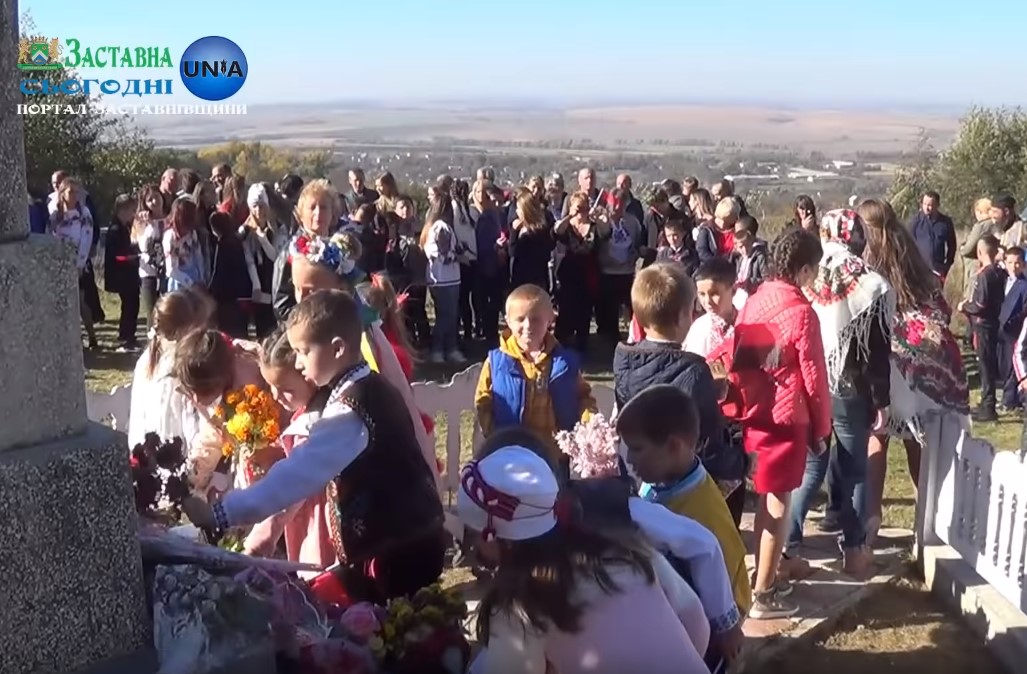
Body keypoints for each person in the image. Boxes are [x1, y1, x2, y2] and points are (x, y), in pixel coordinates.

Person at [184, 290, 446, 604]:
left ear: (337, 349)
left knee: (394, 637)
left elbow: (295, 476)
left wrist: (221, 513)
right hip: (405, 540)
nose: (297, 362)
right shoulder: (369, 385)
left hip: (397, 552)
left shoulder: (350, 412)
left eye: (303, 351)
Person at [469, 426, 745, 668]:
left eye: (473, 535)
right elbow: (694, 620)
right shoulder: (624, 547)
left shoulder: (520, 607)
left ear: (493, 535)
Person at [732, 227, 830, 619]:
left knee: (763, 503)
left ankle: (763, 575)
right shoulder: (803, 313)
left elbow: (743, 355)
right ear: (804, 269)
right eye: (814, 270)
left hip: (756, 414)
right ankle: (765, 593)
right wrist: (821, 430)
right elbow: (814, 376)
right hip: (788, 419)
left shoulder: (756, 299)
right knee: (777, 505)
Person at [795, 209, 894, 577]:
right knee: (853, 471)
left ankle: (787, 547)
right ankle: (855, 552)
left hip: (814, 382)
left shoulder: (809, 275)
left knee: (809, 468)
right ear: (857, 237)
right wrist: (882, 400)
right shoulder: (871, 284)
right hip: (851, 385)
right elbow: (878, 349)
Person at [613, 263, 747, 525]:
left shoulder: (623, 358)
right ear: (685, 314)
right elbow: (708, 446)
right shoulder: (694, 371)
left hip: (640, 474)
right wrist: (742, 461)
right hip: (681, 487)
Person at [616, 386, 750, 623]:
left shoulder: (704, 513)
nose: (629, 459)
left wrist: (725, 628)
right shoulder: (659, 481)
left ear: (673, 446)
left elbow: (728, 588)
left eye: (637, 449)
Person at [475, 284, 596, 464]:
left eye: (536, 319)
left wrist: (590, 424)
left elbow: (583, 396)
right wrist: (494, 434)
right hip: (511, 455)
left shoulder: (563, 363)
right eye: (520, 319)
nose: (528, 325)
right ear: (508, 320)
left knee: (556, 492)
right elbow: (483, 401)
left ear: (550, 319)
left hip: (554, 455)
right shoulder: (497, 363)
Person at [249, 326, 332, 575]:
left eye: (286, 389)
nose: (276, 396)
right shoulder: (308, 412)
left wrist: (263, 536)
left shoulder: (315, 422)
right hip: (310, 517)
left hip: (324, 523)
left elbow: (295, 485)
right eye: (270, 386)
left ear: (308, 375)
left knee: (321, 578)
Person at [127, 288, 216, 453]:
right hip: (176, 459)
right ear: (191, 327)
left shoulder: (147, 358)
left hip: (145, 457)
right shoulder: (184, 366)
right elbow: (193, 430)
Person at [959, 234, 1006, 422]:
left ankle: (988, 407)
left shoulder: (985, 275)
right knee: (987, 364)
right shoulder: (999, 272)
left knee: (985, 365)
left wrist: (965, 306)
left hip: (983, 324)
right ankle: (988, 402)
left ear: (980, 252)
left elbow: (980, 304)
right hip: (993, 322)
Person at [48, 176, 97, 348]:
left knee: (81, 301)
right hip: (60, 263)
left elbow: (87, 237)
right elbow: (50, 236)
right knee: (64, 302)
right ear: (62, 193)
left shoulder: (84, 213)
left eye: (77, 192)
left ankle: (91, 335)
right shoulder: (56, 214)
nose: (75, 195)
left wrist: (80, 263)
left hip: (78, 263)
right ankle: (71, 337)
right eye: (71, 192)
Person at [421, 192, 464, 363]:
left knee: (444, 315)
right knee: (448, 315)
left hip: (440, 278)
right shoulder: (441, 227)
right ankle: (443, 349)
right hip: (446, 278)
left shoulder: (432, 226)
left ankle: (444, 349)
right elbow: (443, 255)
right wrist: (460, 257)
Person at [104, 193, 141, 351]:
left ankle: (129, 335)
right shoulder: (115, 229)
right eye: (131, 209)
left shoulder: (125, 227)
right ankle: (126, 336)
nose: (133, 213)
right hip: (122, 274)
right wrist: (132, 257)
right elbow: (116, 256)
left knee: (133, 304)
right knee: (129, 305)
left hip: (128, 273)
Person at [998, 247, 1027, 410]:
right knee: (1002, 363)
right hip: (999, 329)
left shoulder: (1024, 285)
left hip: (1014, 330)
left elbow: (1024, 309)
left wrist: (1013, 322)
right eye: (1010, 263)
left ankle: (1009, 400)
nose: (1014, 266)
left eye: (1017, 263)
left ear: (1023, 264)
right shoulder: (1001, 280)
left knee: (1011, 365)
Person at [909, 191, 957, 284]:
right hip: (919, 271)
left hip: (938, 271)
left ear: (937, 205)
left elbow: (952, 246)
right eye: (925, 204)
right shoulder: (915, 222)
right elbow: (908, 245)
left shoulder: (946, 223)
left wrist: (946, 266)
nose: (927, 208)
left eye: (930, 205)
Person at [733, 214, 769, 308]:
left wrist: (748, 282)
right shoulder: (738, 257)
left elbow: (767, 278)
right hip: (740, 294)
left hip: (754, 295)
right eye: (740, 247)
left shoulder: (760, 255)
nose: (744, 250)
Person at [696, 198, 738, 264]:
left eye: (727, 221)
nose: (723, 224)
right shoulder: (706, 230)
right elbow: (702, 253)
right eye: (720, 219)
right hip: (711, 269)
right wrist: (719, 263)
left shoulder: (738, 230)